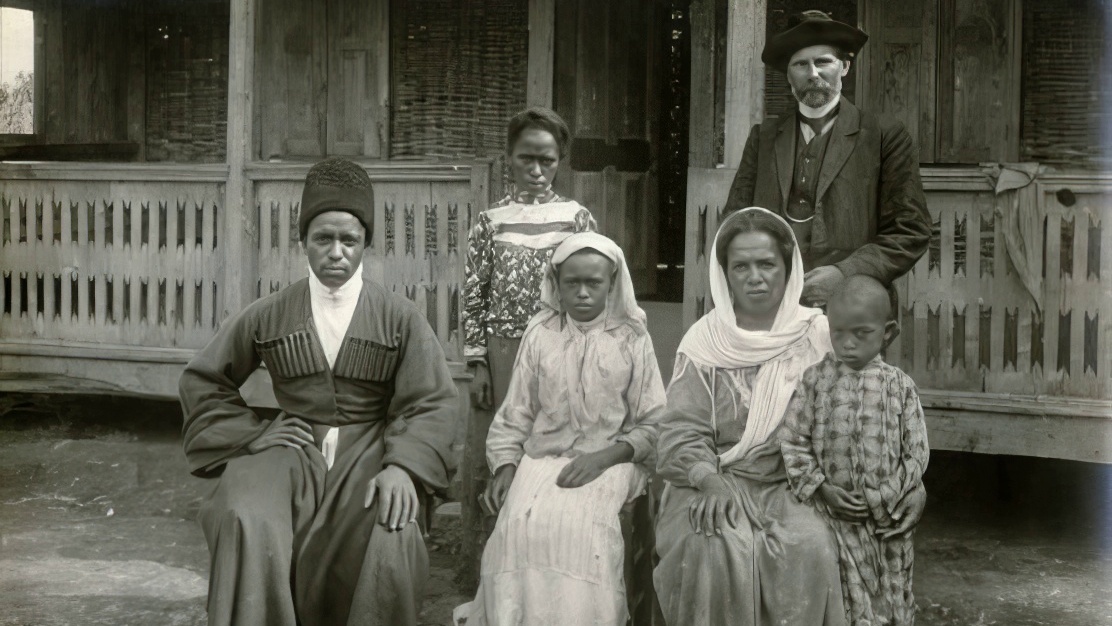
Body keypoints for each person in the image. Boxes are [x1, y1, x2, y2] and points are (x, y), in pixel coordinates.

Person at [179, 157, 458, 626]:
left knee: (390, 528)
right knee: (243, 512)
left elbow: (430, 400)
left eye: (349, 240)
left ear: (367, 242)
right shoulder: (269, 313)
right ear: (303, 241)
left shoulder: (400, 317)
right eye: (322, 239)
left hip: (371, 447)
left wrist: (405, 468)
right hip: (293, 446)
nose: (335, 253)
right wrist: (252, 435)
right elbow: (204, 379)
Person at [652, 208, 925, 625]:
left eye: (767, 264)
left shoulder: (821, 332)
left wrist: (912, 487)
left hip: (795, 486)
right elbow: (679, 434)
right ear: (723, 273)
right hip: (712, 478)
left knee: (809, 544)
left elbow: (873, 415)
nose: (755, 277)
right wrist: (708, 480)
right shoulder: (705, 342)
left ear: (789, 267)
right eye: (740, 266)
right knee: (712, 545)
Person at [454, 233, 667, 626]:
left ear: (613, 283)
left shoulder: (632, 336)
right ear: (556, 283)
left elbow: (654, 421)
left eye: (594, 283)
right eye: (573, 283)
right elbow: (516, 411)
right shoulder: (541, 334)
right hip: (543, 456)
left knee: (582, 528)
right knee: (519, 524)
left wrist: (605, 458)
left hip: (614, 457)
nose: (583, 293)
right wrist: (505, 466)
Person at [724, 10, 932, 309]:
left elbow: (911, 230)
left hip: (852, 308)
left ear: (844, 67)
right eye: (800, 64)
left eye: (823, 62)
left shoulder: (884, 135)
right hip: (773, 305)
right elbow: (735, 221)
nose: (812, 73)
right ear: (788, 74)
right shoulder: (765, 137)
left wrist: (845, 273)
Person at [779, 274, 929, 626]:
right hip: (835, 515)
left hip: (888, 521)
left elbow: (917, 452)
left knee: (895, 596)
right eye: (838, 333)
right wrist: (821, 488)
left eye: (861, 333)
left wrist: (888, 497)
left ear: (887, 332)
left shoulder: (900, 387)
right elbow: (793, 439)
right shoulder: (815, 381)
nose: (847, 344)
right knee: (847, 598)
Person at [463, 107, 596, 410]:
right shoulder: (490, 221)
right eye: (526, 158)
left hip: (563, 344)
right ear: (509, 156)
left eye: (547, 160)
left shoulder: (576, 219)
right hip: (504, 349)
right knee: (509, 437)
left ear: (559, 162)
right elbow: (475, 293)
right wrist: (478, 363)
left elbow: (595, 288)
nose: (536, 170)